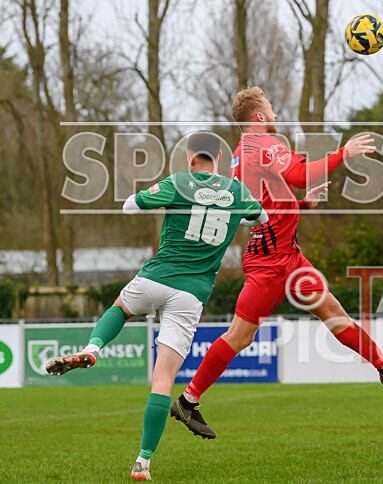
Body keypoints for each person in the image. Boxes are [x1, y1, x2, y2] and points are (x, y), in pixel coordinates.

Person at [170, 87, 383, 439]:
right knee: (240, 335)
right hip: (270, 261)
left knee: (333, 312)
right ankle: (187, 402)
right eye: (272, 108)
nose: (277, 115)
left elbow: (255, 203)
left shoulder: (239, 154)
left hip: (285, 254)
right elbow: (298, 175)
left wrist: (300, 206)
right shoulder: (265, 144)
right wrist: (345, 153)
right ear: (259, 117)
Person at [45, 132, 269, 480]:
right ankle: (143, 462)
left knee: (120, 309)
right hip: (191, 294)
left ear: (191, 157)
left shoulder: (180, 182)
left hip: (156, 278)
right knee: (163, 379)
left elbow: (130, 205)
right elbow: (262, 219)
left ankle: (93, 349)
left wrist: (160, 196)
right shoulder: (238, 192)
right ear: (219, 159)